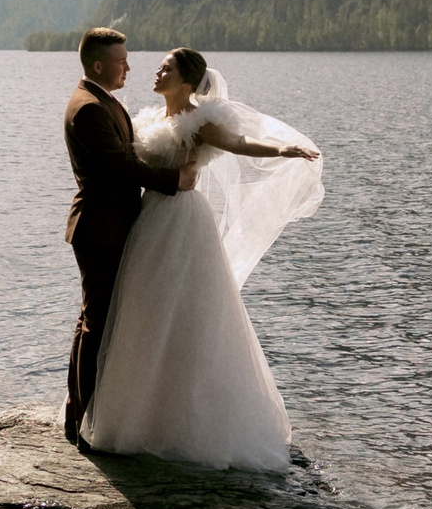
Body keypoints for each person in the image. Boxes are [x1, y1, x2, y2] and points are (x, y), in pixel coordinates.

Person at [79, 45, 324, 471]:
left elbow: (238, 142)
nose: (156, 72)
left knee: (187, 314)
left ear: (188, 81)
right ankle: (144, 416)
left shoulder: (200, 122)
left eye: (166, 68)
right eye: (159, 66)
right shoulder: (152, 118)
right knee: (145, 313)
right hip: (148, 221)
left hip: (181, 222)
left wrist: (282, 151)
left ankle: (190, 425)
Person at [61, 27, 191, 447]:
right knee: (95, 324)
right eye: (121, 62)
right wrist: (175, 179)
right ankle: (81, 422)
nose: (129, 68)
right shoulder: (88, 109)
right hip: (100, 228)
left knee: (98, 321)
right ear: (99, 65)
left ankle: (86, 416)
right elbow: (121, 166)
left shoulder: (102, 101)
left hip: (113, 224)